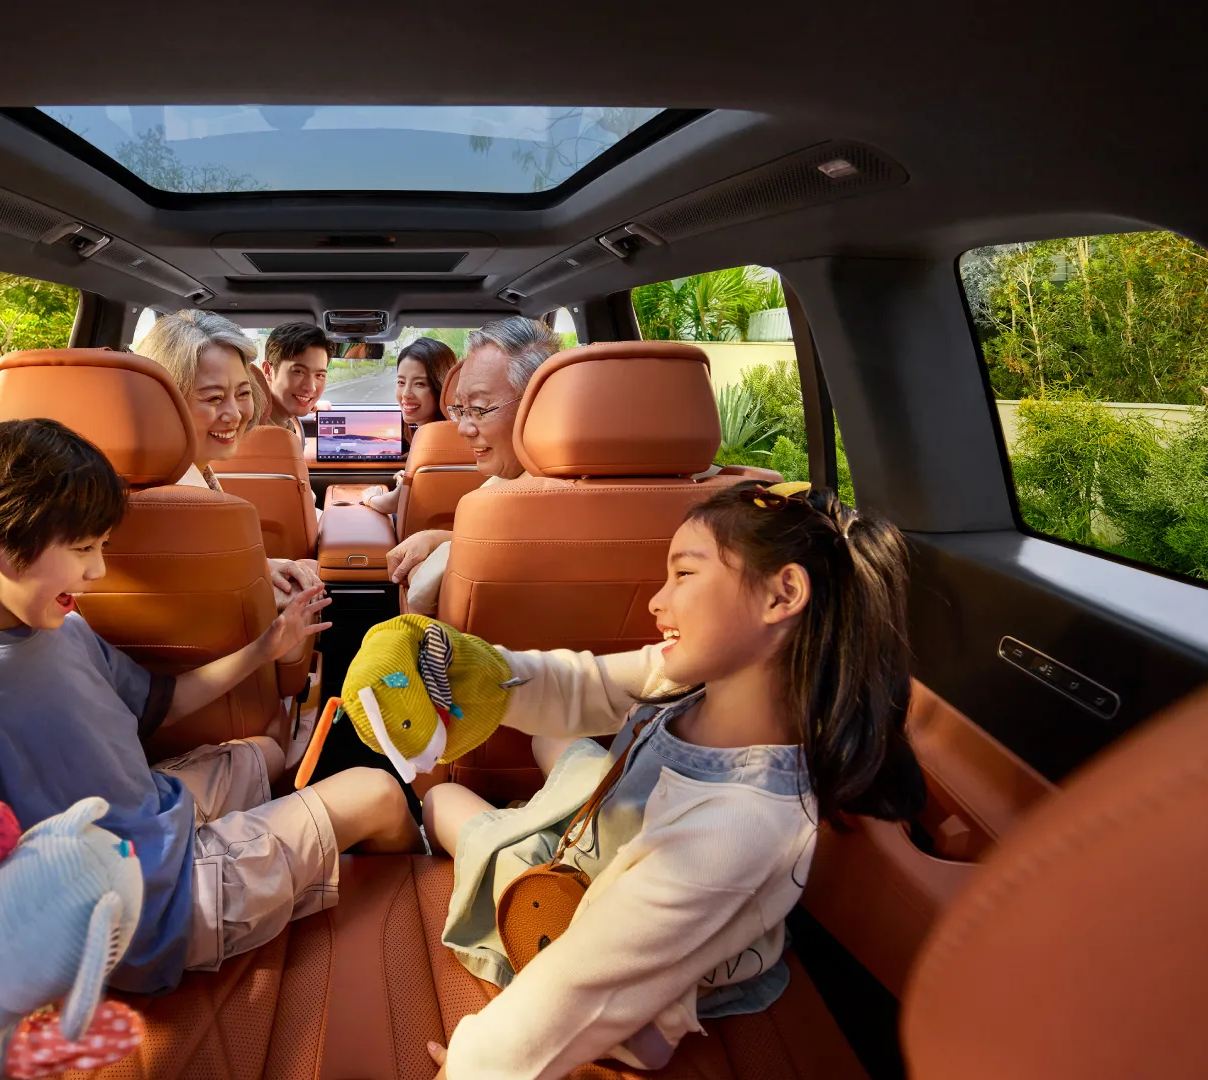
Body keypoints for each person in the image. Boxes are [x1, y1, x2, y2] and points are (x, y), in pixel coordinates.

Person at [0, 419, 420, 997]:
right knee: (380, 793)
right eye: (83, 549)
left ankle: (277, 849)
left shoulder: (59, 629)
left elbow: (163, 703)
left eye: (101, 547)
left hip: (148, 814)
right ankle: (413, 910)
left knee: (266, 751)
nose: (98, 571)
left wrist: (265, 648)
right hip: (154, 907)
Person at [417, 482, 926, 1080]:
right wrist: (472, 670)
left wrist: (473, 1065)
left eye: (683, 574)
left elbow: (583, 979)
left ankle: (650, 1018)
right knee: (551, 737)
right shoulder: (691, 679)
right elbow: (581, 684)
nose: (657, 602)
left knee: (441, 799)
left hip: (614, 914)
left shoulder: (740, 826)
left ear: (782, 594)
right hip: (637, 845)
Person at [139, 309, 323, 608]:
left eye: (243, 393)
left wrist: (261, 566)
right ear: (164, 400)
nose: (235, 415)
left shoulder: (179, 475)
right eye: (213, 398)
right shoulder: (183, 502)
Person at [386, 316, 562, 613]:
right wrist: (437, 538)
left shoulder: (510, 504)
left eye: (479, 409)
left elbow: (422, 592)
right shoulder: (537, 481)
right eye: (460, 409)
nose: (463, 429)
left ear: (539, 404)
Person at [362, 338, 457, 517]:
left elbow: (391, 504)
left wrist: (370, 498)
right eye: (401, 382)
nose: (406, 394)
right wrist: (411, 478)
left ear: (442, 387)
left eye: (419, 384)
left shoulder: (430, 440)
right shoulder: (459, 433)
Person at [258, 320, 330, 441]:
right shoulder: (260, 432)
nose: (311, 387)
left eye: (319, 375)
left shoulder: (280, 418)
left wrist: (311, 404)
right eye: (298, 372)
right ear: (268, 371)